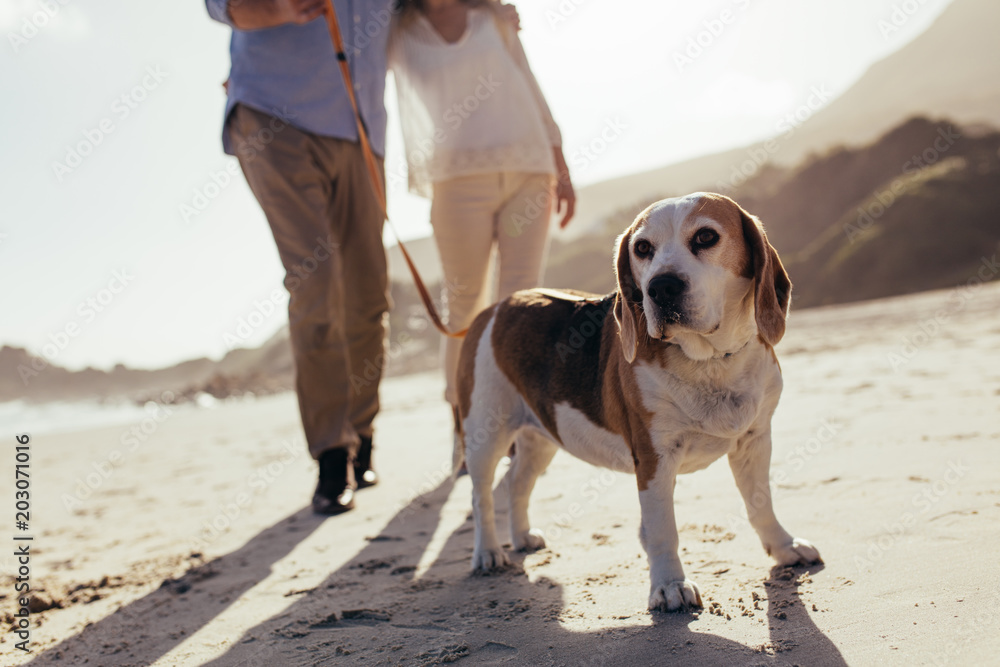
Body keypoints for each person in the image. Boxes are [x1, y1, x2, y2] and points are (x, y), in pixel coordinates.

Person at [205, 0, 397, 515]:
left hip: (362, 133)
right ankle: (332, 455)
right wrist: (283, 7)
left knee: (368, 295)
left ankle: (362, 434)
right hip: (273, 116)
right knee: (317, 282)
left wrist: (492, 12)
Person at [388, 0, 575, 422]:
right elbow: (348, 68)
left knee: (520, 301)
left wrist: (559, 162)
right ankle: (464, 416)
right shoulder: (395, 31)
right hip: (455, 181)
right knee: (463, 304)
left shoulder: (493, 17)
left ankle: (520, 421)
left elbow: (529, 84)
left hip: (528, 169)